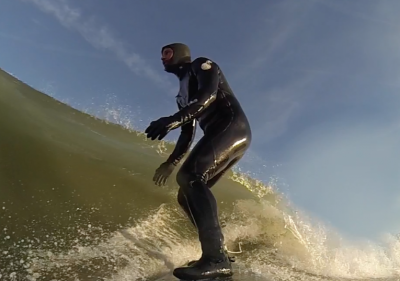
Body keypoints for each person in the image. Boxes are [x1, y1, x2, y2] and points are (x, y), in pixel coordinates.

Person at [145, 43, 252, 280]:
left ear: (180, 54)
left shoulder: (201, 65)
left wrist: (171, 120)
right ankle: (218, 254)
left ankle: (215, 258)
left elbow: (208, 96)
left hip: (232, 126)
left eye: (167, 52)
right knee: (185, 193)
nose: (162, 58)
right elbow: (187, 134)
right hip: (224, 133)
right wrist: (171, 163)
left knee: (191, 177)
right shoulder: (181, 97)